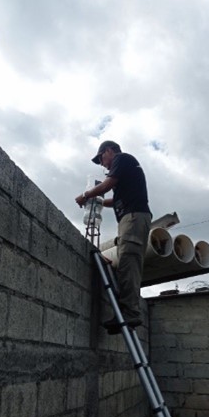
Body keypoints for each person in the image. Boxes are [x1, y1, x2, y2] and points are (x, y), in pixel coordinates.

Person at [77, 140, 151, 333]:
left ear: (109, 151)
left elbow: (106, 185)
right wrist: (99, 200)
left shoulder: (122, 159)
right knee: (128, 260)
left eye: (101, 158)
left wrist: (86, 195)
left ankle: (130, 313)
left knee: (128, 261)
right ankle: (128, 312)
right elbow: (113, 198)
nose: (103, 164)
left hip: (134, 218)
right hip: (132, 218)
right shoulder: (124, 170)